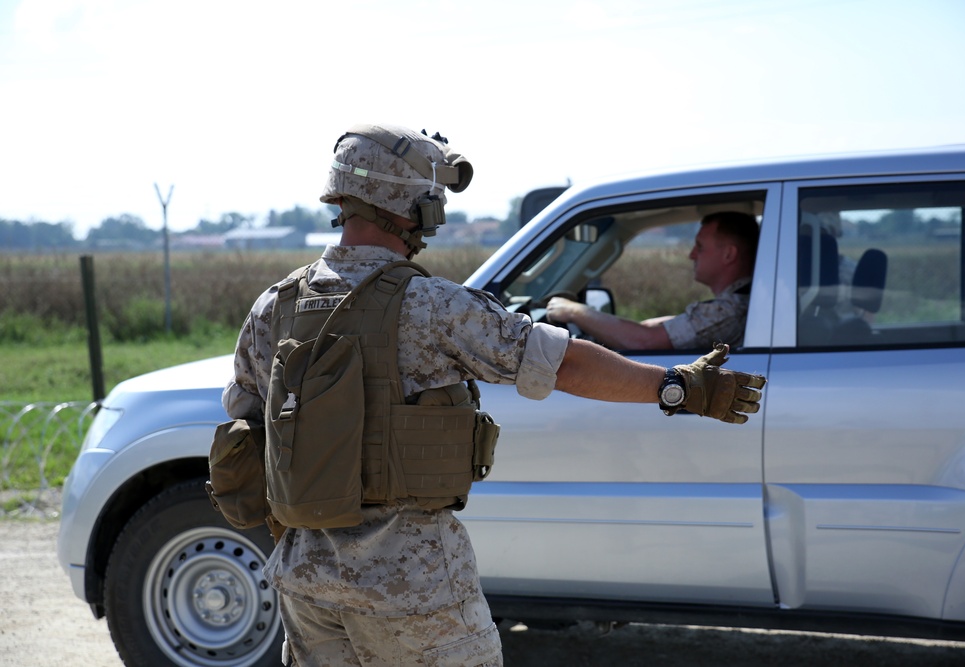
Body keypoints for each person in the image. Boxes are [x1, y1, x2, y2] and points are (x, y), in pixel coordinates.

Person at [221, 123, 766, 667]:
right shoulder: (431, 305)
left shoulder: (276, 305)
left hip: (304, 581)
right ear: (415, 206)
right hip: (411, 586)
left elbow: (245, 427)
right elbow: (563, 361)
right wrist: (676, 388)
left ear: (343, 197)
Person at [545, 211, 760, 350]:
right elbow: (650, 329)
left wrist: (574, 311)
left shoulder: (729, 310)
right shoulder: (737, 305)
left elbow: (644, 341)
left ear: (729, 255)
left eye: (700, 247)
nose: (692, 255)